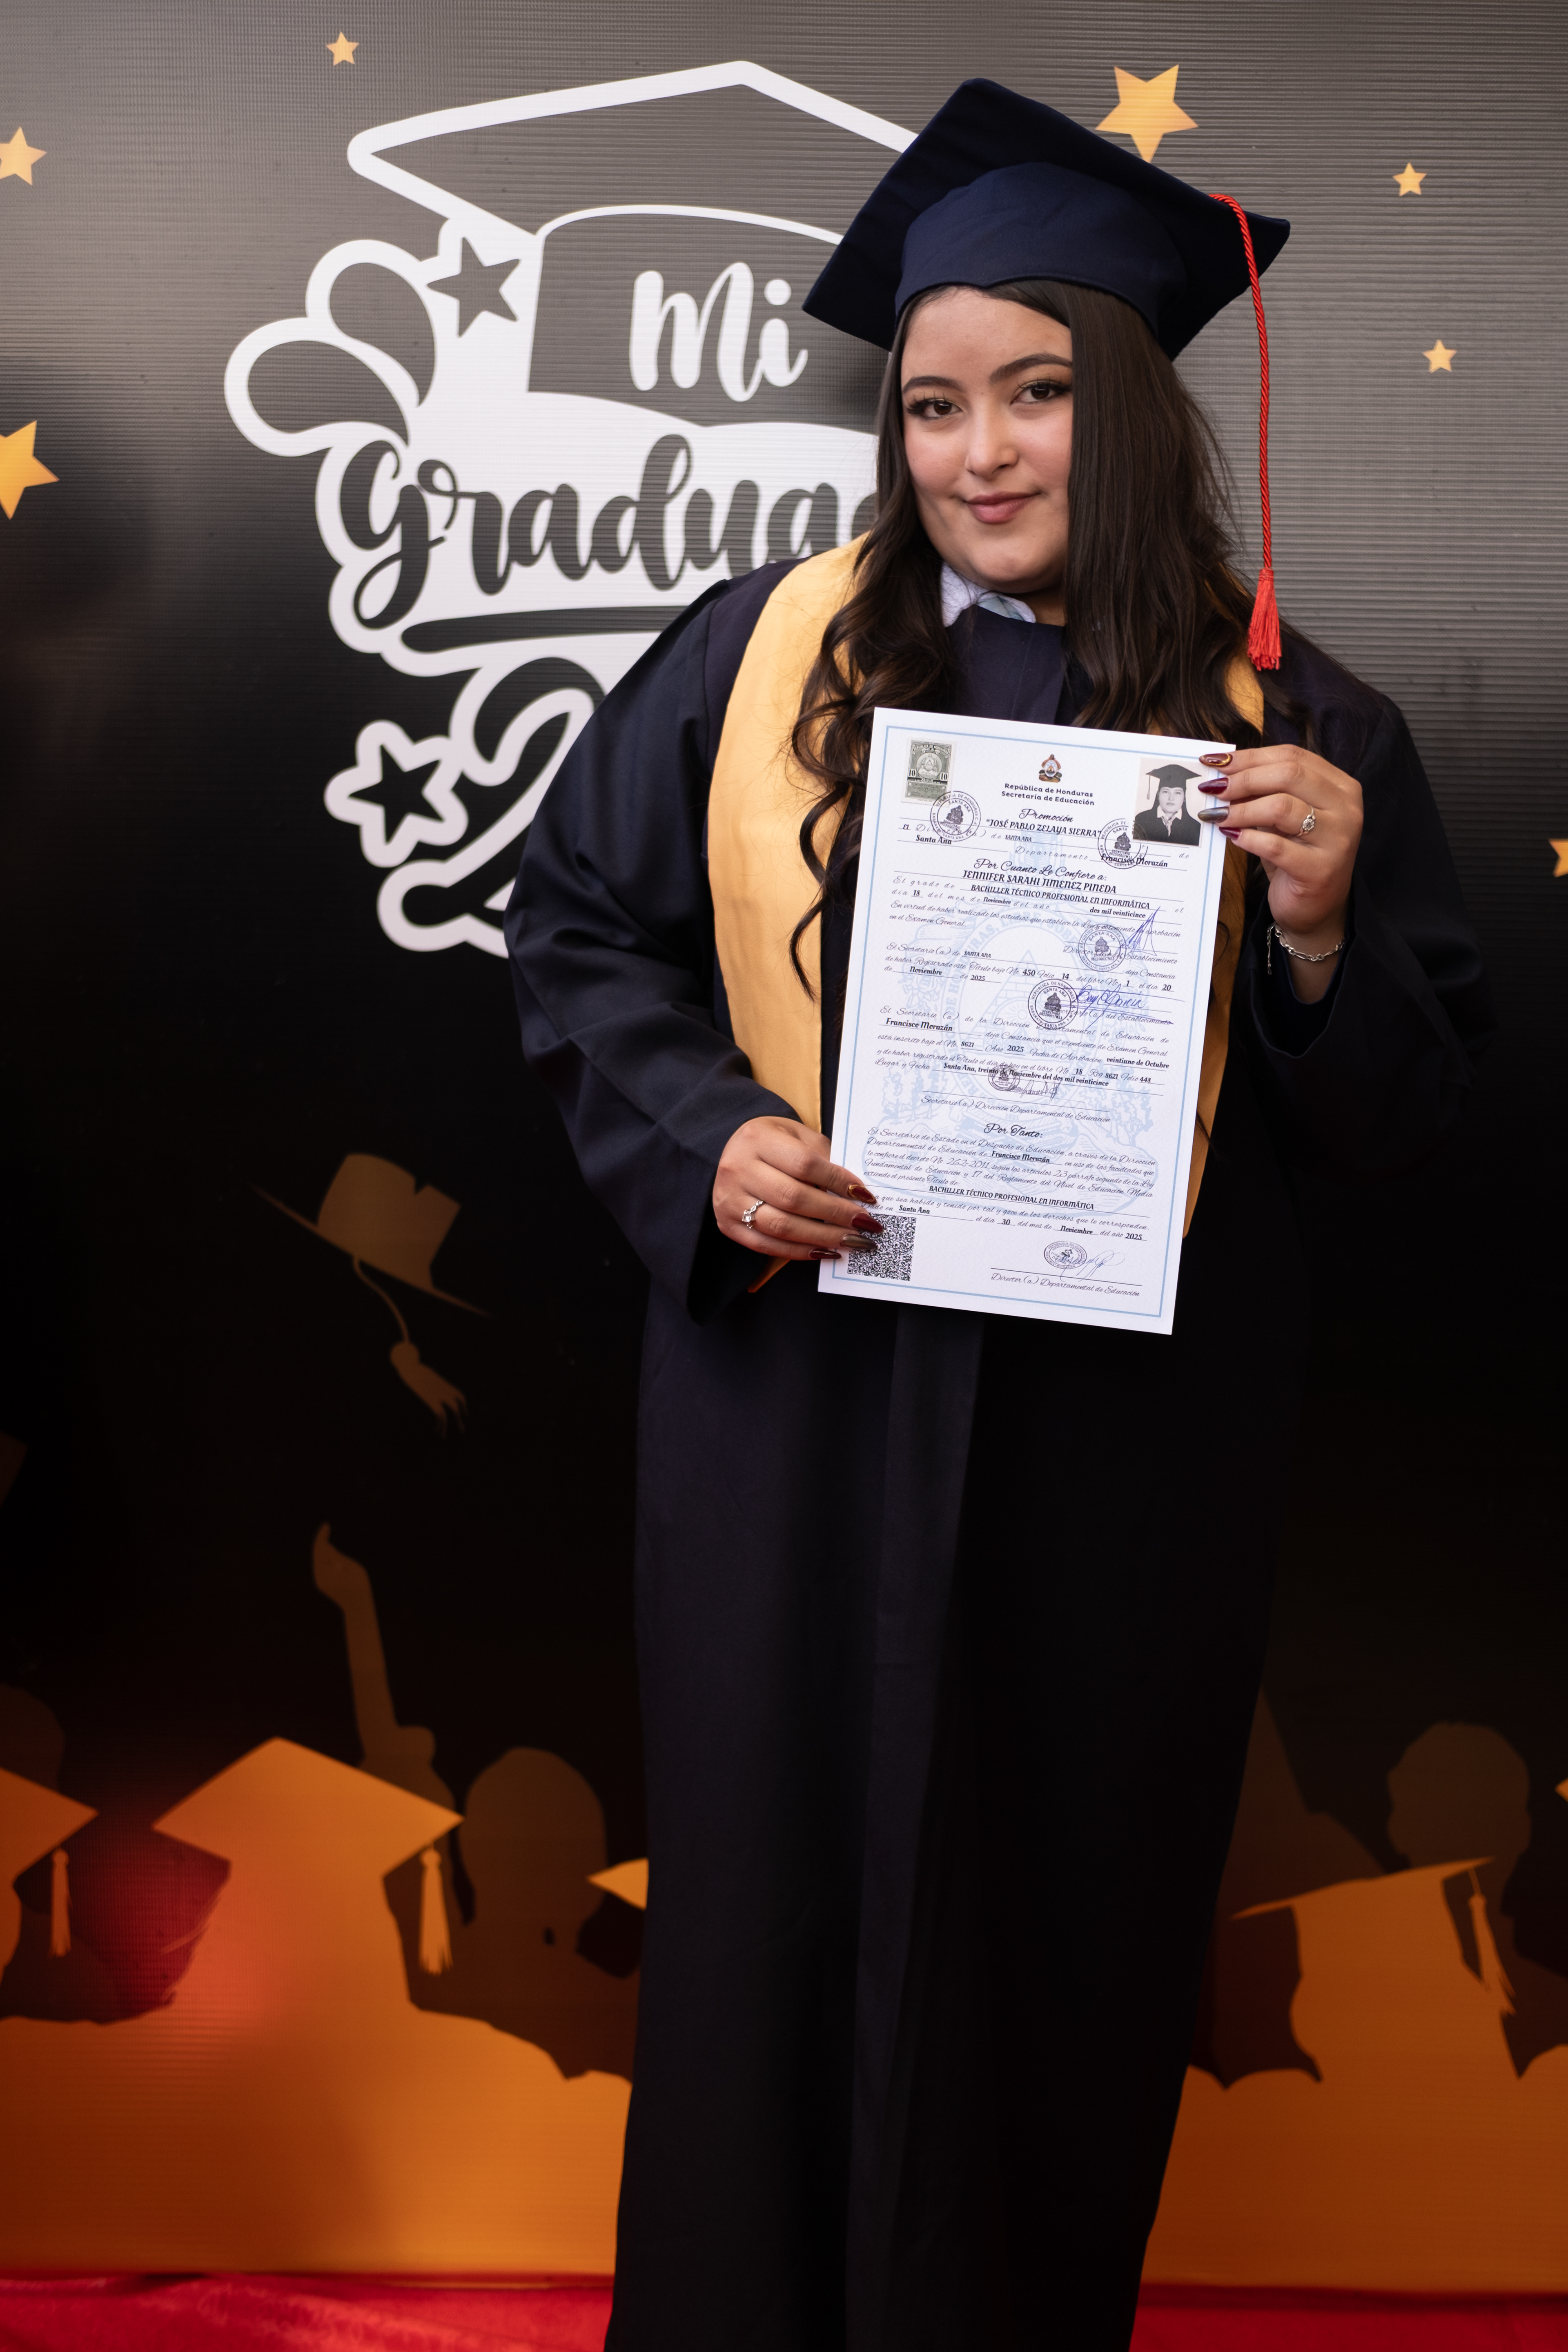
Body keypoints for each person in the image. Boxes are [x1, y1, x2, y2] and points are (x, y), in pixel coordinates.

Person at [505, 78, 1490, 2352]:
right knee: (761, 1923)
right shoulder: (754, 657)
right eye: (932, 403)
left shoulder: (1297, 729)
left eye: (1034, 392)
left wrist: (1321, 931)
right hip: (790, 1414)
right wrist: (706, 1139)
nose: (977, 450)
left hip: (1111, 1459)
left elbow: (1396, 1121)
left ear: (1127, 408)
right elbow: (577, 934)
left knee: (1057, 1923)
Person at [1133, 762, 1203, 844]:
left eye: (1178, 793)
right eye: (1166, 792)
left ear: (1184, 797)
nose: (1171, 798)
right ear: (1158, 795)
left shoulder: (1195, 827)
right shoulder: (1141, 820)